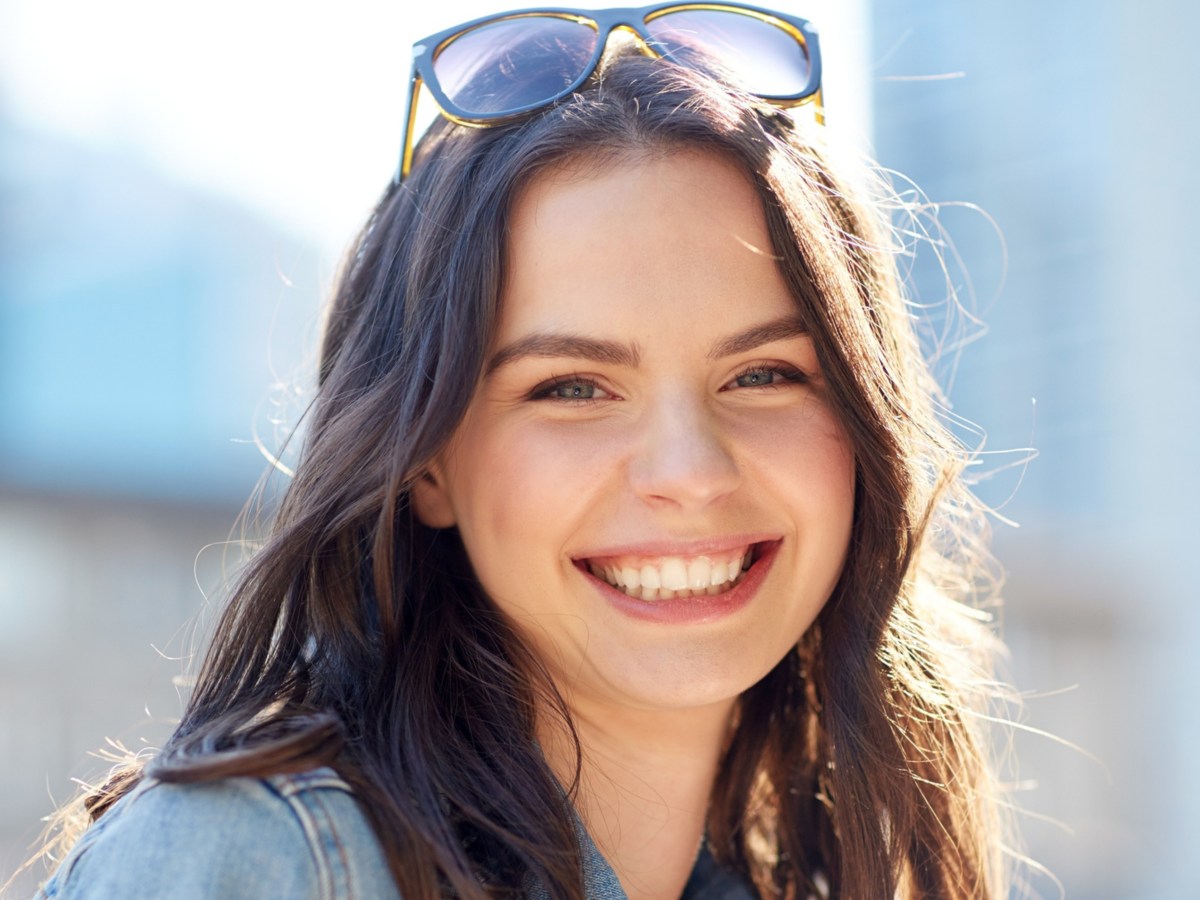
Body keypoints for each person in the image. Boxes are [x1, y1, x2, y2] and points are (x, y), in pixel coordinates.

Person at [31, 4, 1016, 898]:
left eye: (764, 375)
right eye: (573, 389)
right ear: (425, 462)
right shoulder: (264, 865)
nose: (690, 472)